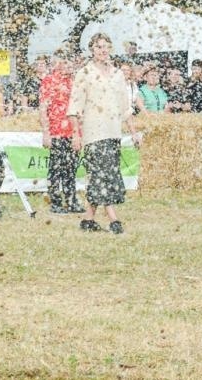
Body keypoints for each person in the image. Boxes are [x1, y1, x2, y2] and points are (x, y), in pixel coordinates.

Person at [66, 33, 139, 234]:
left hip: (113, 131)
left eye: (106, 46)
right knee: (101, 174)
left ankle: (88, 220)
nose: (103, 50)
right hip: (93, 131)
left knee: (107, 174)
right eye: (98, 47)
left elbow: (125, 107)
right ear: (92, 50)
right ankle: (114, 220)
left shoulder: (117, 74)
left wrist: (133, 132)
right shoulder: (84, 73)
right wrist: (76, 134)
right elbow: (74, 106)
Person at [38, 54, 83, 213]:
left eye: (71, 62)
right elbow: (43, 108)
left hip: (73, 131)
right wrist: (46, 133)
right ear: (58, 65)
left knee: (71, 168)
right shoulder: (49, 81)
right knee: (56, 169)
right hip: (56, 131)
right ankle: (55, 203)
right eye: (66, 63)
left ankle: (71, 201)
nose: (69, 66)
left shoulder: (75, 82)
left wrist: (79, 133)